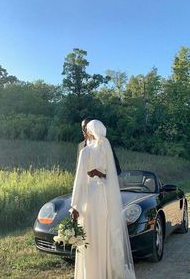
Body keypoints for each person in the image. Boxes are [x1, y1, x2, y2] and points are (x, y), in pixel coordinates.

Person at [69, 120, 136, 279]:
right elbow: (112, 175)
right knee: (104, 234)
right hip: (105, 198)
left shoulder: (86, 151)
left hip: (90, 198)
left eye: (86, 129)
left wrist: (75, 206)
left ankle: (92, 273)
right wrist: (100, 173)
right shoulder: (106, 148)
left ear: (90, 131)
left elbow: (79, 180)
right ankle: (106, 272)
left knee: (90, 235)